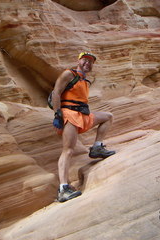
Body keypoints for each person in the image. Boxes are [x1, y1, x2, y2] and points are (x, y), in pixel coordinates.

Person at [52, 52, 116, 202]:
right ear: (79, 61)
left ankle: (97, 147)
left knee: (108, 117)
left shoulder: (84, 80)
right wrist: (57, 114)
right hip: (69, 115)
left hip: (83, 116)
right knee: (68, 150)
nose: (88, 63)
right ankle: (63, 188)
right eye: (85, 60)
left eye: (91, 61)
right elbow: (56, 92)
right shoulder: (69, 74)